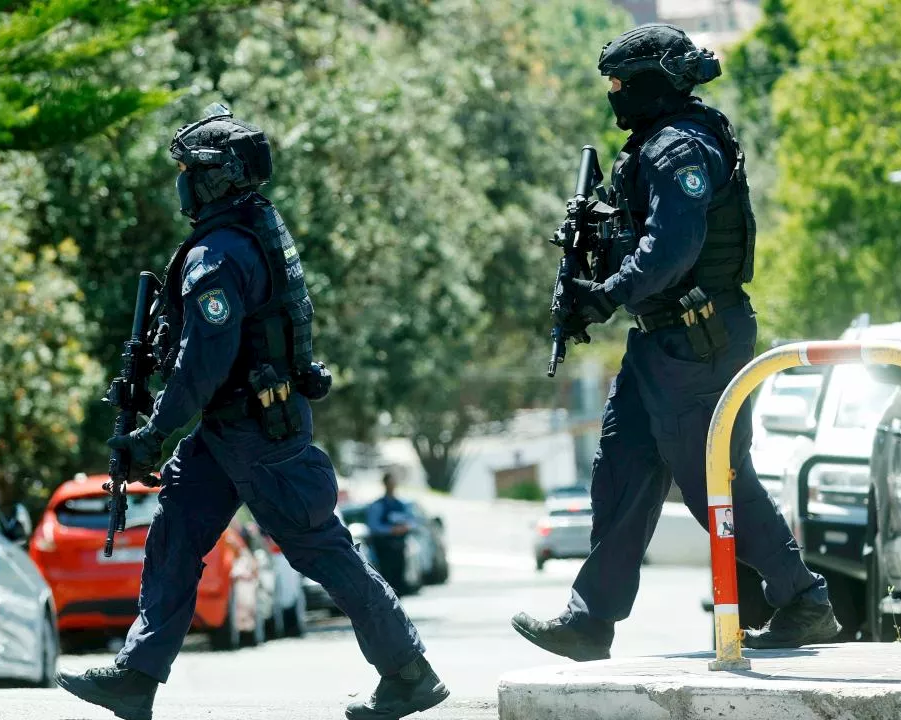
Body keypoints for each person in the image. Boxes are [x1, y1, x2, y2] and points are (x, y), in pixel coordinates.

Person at [54, 104, 449, 720]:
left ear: (214, 178)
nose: (180, 180)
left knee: (321, 551)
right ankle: (137, 676)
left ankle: (408, 671)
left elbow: (202, 361)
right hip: (228, 429)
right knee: (176, 535)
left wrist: (155, 432)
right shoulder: (249, 229)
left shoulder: (220, 255)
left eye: (188, 169)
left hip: (258, 432)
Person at [511, 24, 840, 662]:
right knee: (622, 468)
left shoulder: (679, 148)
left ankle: (803, 599)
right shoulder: (653, 145)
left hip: (700, 340)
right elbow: (638, 240)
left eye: (621, 84)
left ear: (653, 83)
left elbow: (672, 248)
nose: (613, 95)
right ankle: (590, 621)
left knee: (711, 477)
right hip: (661, 343)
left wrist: (606, 293)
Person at [366, 471, 417, 593]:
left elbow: (412, 521)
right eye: (390, 483)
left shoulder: (401, 504)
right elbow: (374, 526)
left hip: (399, 547)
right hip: (384, 548)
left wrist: (406, 527)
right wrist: (391, 530)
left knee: (399, 579)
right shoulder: (378, 505)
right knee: (387, 579)